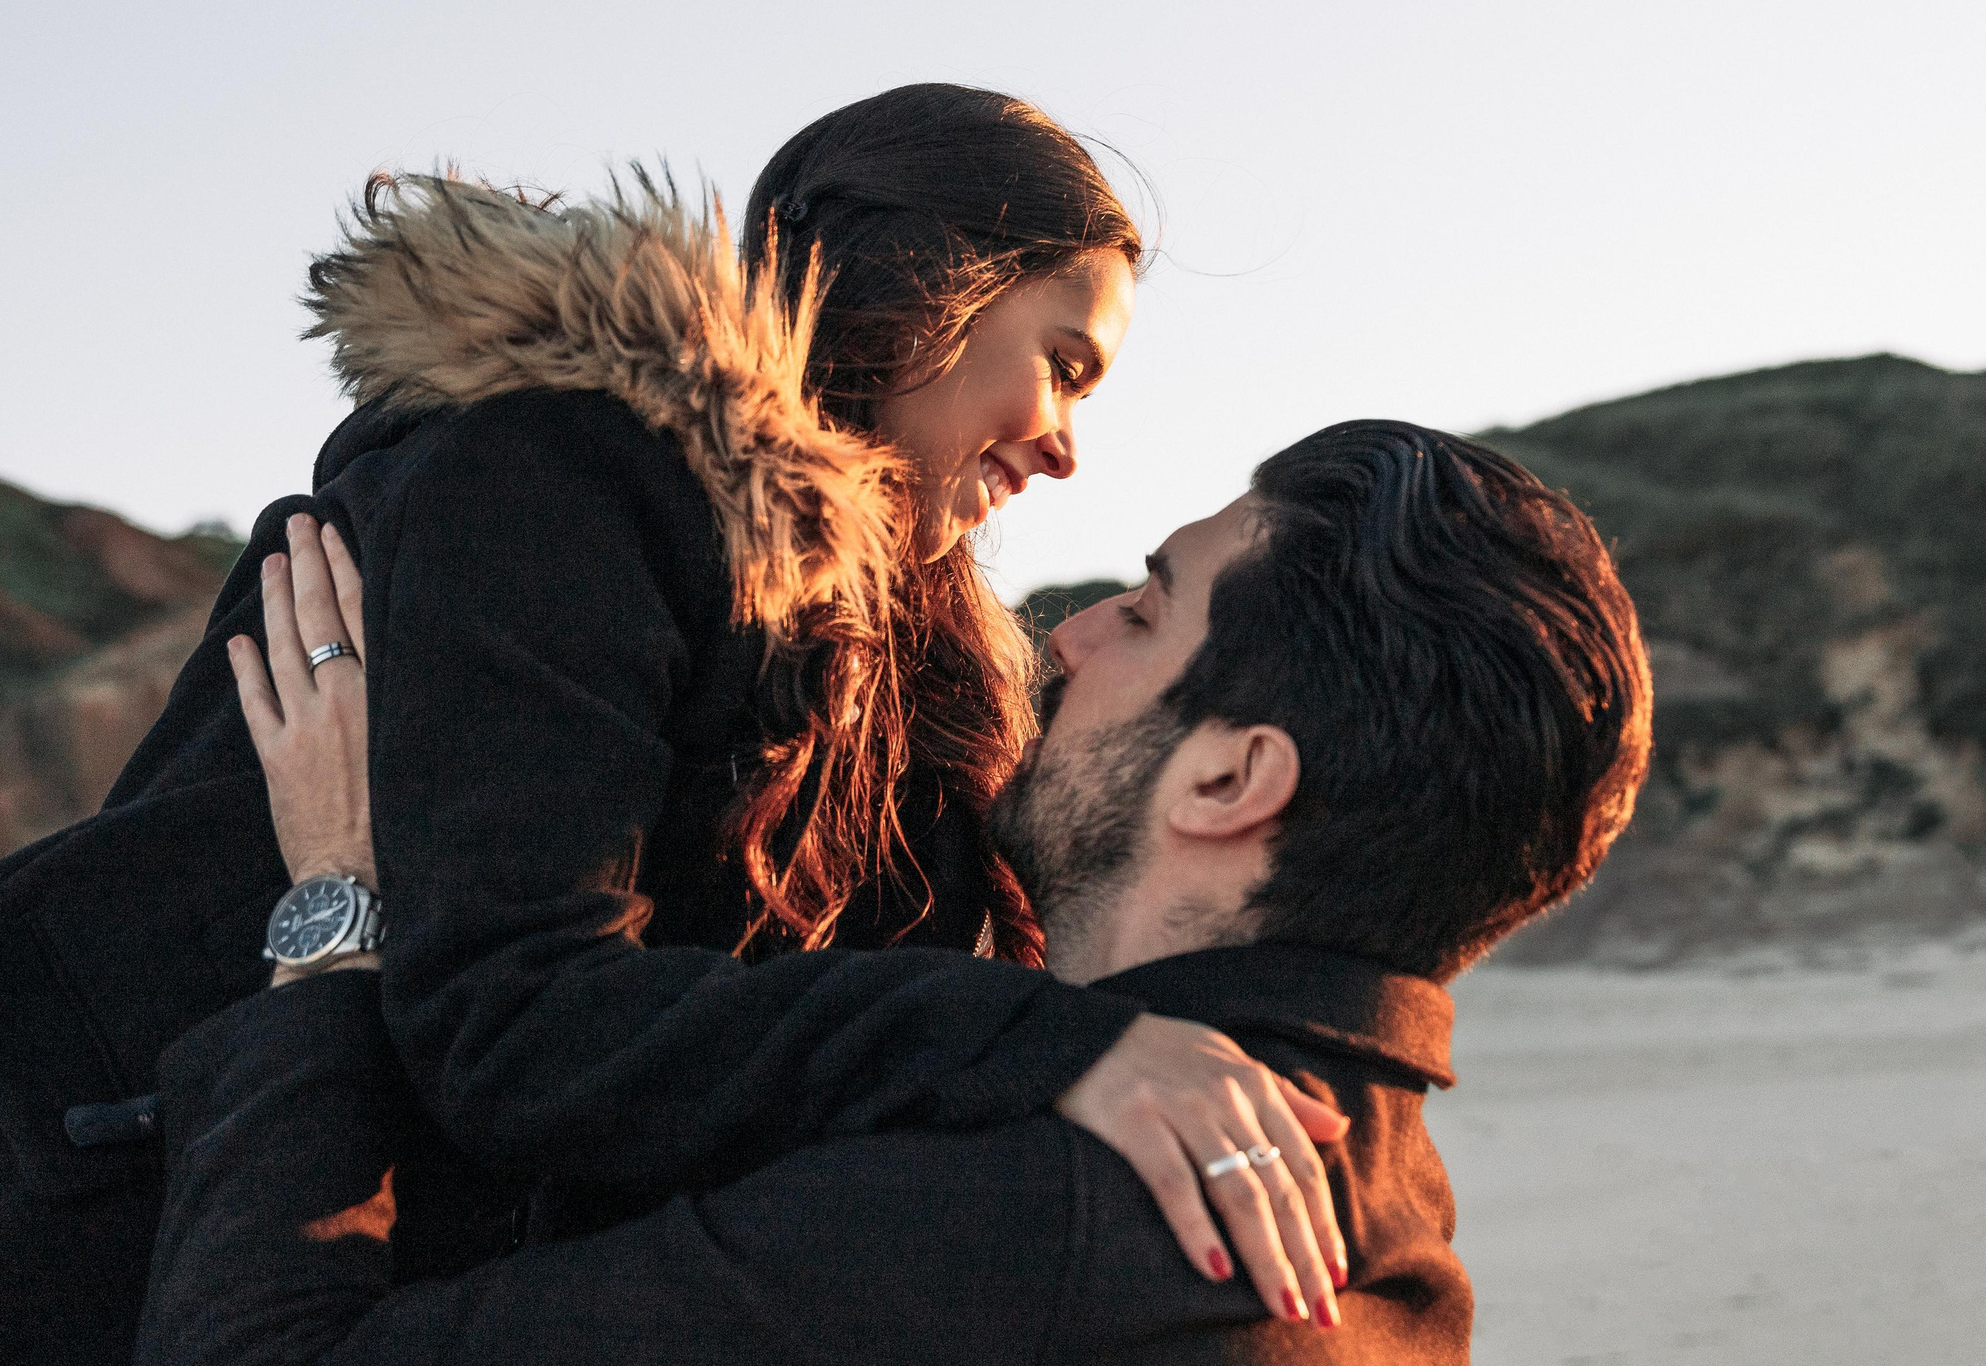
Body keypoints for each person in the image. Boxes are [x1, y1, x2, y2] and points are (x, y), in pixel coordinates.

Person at [0, 87, 1347, 1366]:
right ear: (924, 287)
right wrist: (1041, 1052)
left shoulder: (899, 659)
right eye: (1061, 364)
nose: (1065, 448)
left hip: (282, 1224)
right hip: (26, 1188)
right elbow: (510, 1020)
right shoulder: (556, 475)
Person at [135, 418, 1653, 1365]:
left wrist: (337, 908)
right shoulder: (1389, 1214)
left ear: (1228, 783)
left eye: (1145, 609)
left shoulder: (1018, 1229)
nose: (1069, 640)